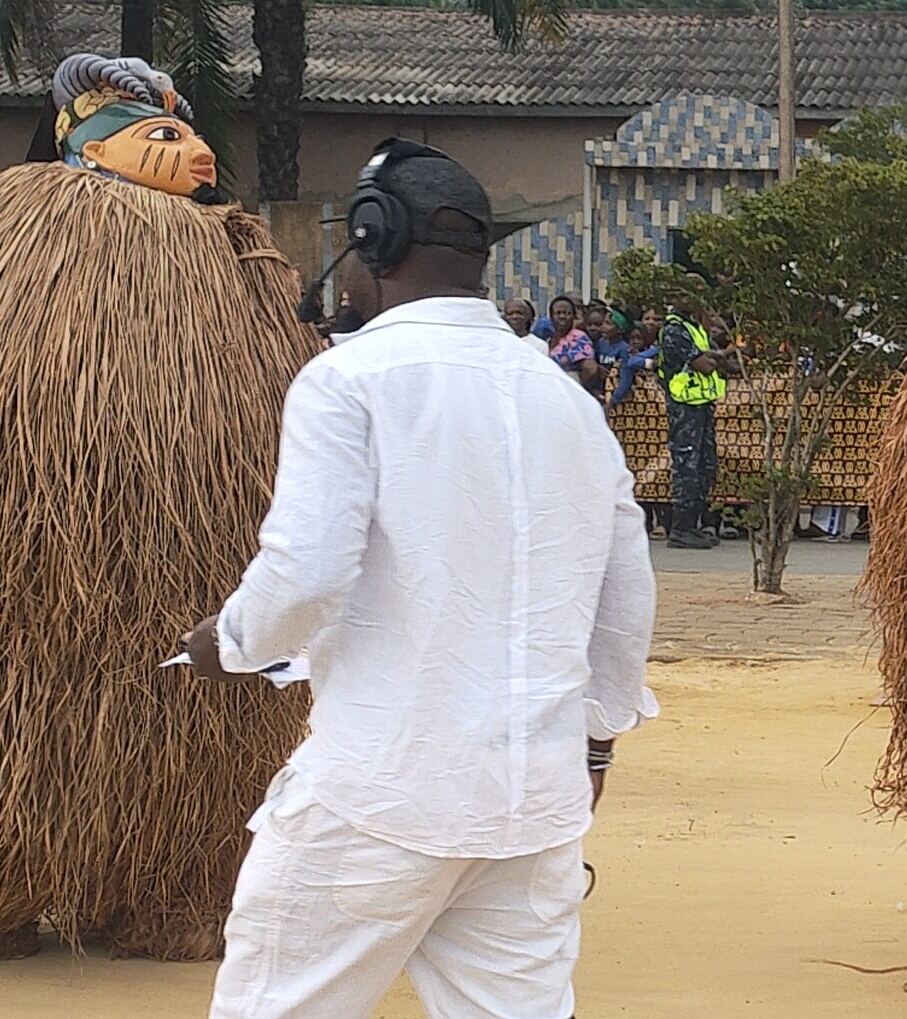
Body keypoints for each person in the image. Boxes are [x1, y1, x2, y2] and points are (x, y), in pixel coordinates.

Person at [181, 139, 657, 1019]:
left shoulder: (347, 381)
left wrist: (230, 643)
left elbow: (309, 571)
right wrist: (594, 742)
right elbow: (624, 599)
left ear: (375, 240)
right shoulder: (567, 400)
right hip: (533, 807)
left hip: (380, 791)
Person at [658, 294, 729, 549]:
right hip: (683, 405)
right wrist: (715, 357)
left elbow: (715, 357)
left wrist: (718, 356)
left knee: (705, 465)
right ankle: (681, 528)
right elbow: (705, 364)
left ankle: (693, 524)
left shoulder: (695, 327)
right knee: (687, 466)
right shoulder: (675, 329)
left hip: (701, 404)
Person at [546, 295, 601, 391]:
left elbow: (590, 368)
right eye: (558, 313)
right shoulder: (550, 339)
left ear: (574, 317)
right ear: (551, 317)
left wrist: (580, 387)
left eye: (567, 313)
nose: (562, 316)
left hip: (570, 390)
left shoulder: (577, 337)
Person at [608, 322, 661, 408]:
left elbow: (634, 361)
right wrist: (649, 363)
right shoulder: (625, 353)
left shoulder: (654, 351)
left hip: (654, 399)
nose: (635, 341)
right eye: (632, 338)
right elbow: (629, 368)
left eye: (639, 338)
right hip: (629, 402)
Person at [585, 305, 628, 401]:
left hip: (613, 391)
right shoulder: (601, 343)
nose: (603, 327)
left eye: (608, 324)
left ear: (620, 329)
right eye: (603, 323)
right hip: (599, 389)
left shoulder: (624, 349)